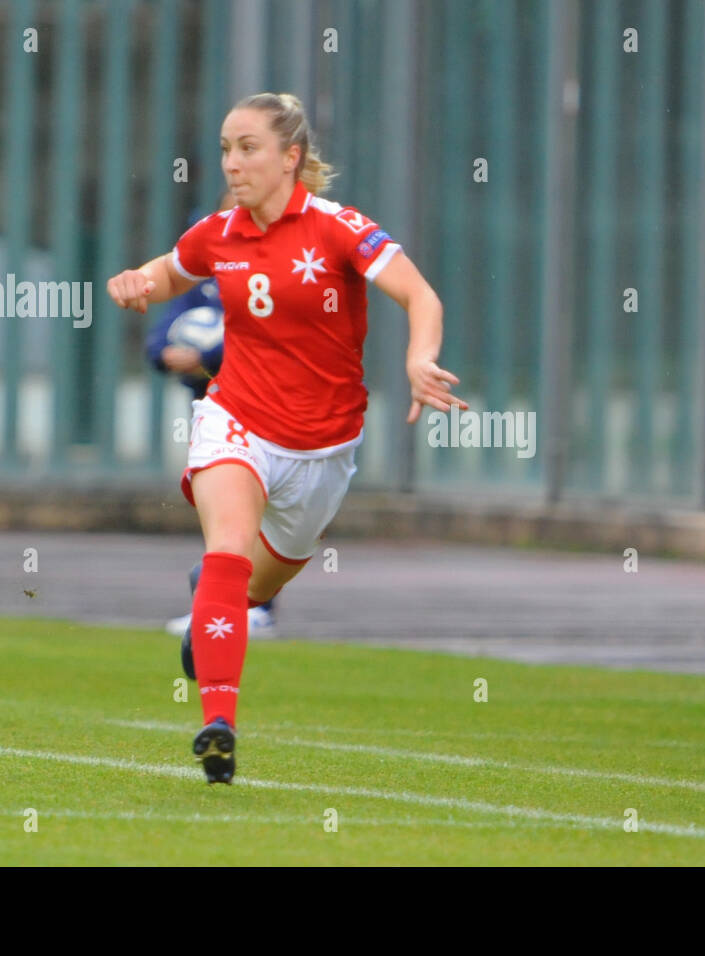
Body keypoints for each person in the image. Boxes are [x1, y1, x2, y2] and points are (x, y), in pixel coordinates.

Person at [107, 92, 466, 783]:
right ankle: (218, 726)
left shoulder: (338, 228)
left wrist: (420, 358)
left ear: (290, 158)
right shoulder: (219, 233)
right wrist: (135, 283)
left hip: (325, 449)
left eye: (248, 149)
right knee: (229, 553)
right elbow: (168, 274)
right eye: (225, 148)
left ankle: (215, 605)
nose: (232, 163)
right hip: (236, 418)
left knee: (245, 586)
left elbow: (421, 296)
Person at [142, 193, 276, 643]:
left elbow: (262, 334)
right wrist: (164, 352)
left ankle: (253, 605)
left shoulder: (273, 267)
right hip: (212, 404)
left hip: (262, 401)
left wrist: (206, 355)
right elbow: (166, 323)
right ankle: (224, 608)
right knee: (222, 506)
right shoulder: (203, 275)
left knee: (260, 506)